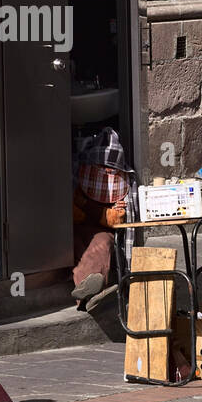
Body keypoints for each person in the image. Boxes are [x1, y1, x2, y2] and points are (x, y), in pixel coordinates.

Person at [71, 128, 137, 311]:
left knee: (102, 243)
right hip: (75, 230)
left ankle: (88, 292)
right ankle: (91, 294)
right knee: (76, 244)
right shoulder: (76, 181)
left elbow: (119, 222)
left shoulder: (125, 190)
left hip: (100, 230)